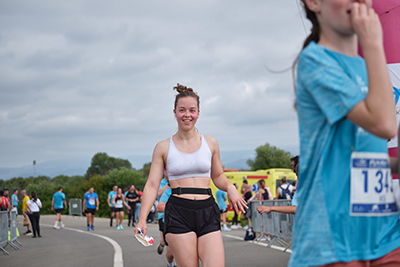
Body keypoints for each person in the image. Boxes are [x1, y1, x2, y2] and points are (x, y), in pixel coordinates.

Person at [291, 1, 400, 266]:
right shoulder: (315, 61)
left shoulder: (368, 68)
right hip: (332, 239)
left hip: (383, 233)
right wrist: (374, 43)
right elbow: (385, 125)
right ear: (314, 3)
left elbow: (361, 155)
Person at [134, 84, 247, 267]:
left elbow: (217, 175)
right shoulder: (163, 147)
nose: (187, 115)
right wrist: (141, 220)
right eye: (182, 110)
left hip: (208, 210)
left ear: (198, 113)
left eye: (192, 110)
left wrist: (230, 188)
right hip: (178, 211)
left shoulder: (211, 143)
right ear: (175, 112)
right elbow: (152, 185)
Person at [157, 184, 177, 267]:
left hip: (184, 222)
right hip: (165, 218)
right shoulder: (164, 186)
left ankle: (176, 263)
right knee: (170, 252)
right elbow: (158, 194)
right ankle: (170, 264)